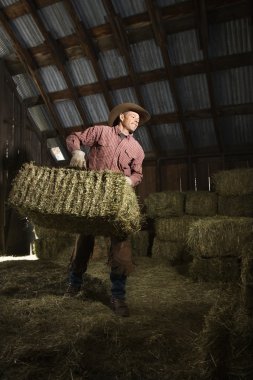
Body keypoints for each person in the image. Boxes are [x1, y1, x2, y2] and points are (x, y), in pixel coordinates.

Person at [65, 102, 150, 317]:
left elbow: (138, 174)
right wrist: (77, 153)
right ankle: (74, 284)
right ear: (121, 117)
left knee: (120, 244)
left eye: (139, 119)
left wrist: (129, 181)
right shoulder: (101, 132)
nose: (137, 120)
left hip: (117, 201)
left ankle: (118, 296)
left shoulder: (137, 149)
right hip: (92, 197)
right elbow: (74, 137)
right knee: (84, 240)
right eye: (133, 116)